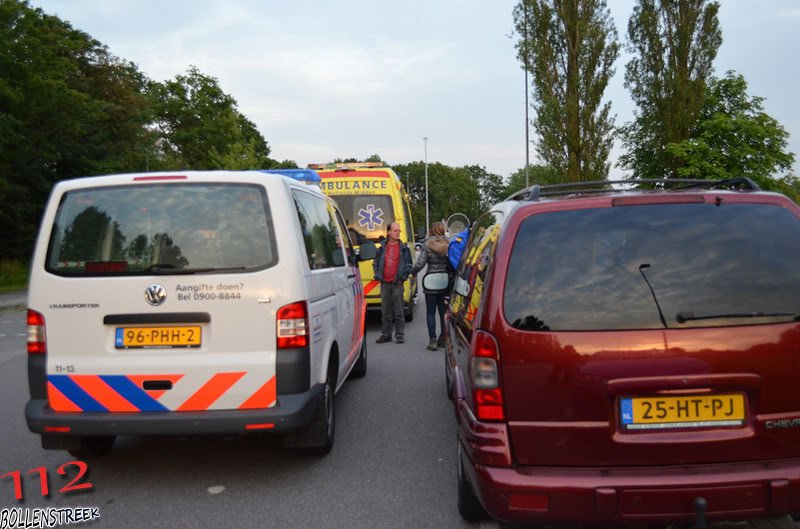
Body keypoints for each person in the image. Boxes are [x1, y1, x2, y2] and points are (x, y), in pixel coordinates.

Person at [411, 221, 451, 351]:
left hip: (430, 281)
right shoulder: (449, 243)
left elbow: (420, 263)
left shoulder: (427, 244)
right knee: (443, 312)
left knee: (430, 312)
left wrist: (413, 272)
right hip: (444, 280)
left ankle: (432, 341)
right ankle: (444, 338)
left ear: (432, 230)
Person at [373, 222, 413, 344]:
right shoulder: (382, 248)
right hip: (385, 283)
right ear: (389, 232)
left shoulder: (404, 249)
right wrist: (378, 275)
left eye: (399, 231)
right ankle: (386, 334)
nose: (398, 233)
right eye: (395, 230)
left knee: (399, 310)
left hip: (397, 283)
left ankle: (400, 334)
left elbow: (409, 265)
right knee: (385, 311)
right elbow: (375, 262)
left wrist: (402, 278)